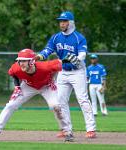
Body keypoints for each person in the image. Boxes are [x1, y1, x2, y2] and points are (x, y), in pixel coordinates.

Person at [34, 11, 96, 140]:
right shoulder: (56, 38)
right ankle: (66, 129)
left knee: (83, 100)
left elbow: (82, 55)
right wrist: (39, 56)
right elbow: (48, 50)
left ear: (71, 23)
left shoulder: (79, 38)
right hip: (62, 72)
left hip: (78, 71)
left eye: (64, 21)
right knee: (60, 101)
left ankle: (90, 129)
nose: (62, 23)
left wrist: (77, 59)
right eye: (60, 21)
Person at [0, 49, 63, 141]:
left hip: (47, 86)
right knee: (10, 105)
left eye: (24, 60)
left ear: (31, 61)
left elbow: (61, 63)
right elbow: (13, 73)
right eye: (19, 60)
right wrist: (17, 86)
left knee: (55, 106)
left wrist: (69, 60)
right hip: (28, 86)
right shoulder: (16, 67)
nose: (21, 63)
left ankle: (66, 131)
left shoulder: (45, 66)